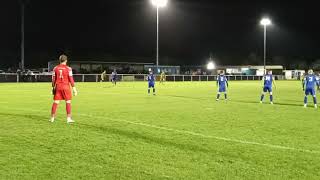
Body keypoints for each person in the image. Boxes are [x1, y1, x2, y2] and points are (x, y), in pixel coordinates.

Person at [50, 54, 78, 123]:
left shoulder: (55, 68)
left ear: (59, 60)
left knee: (56, 102)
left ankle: (52, 118)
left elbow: (53, 79)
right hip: (66, 87)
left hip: (58, 87)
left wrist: (52, 88)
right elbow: (71, 79)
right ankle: (68, 119)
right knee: (68, 102)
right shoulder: (69, 68)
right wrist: (74, 89)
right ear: (66, 60)